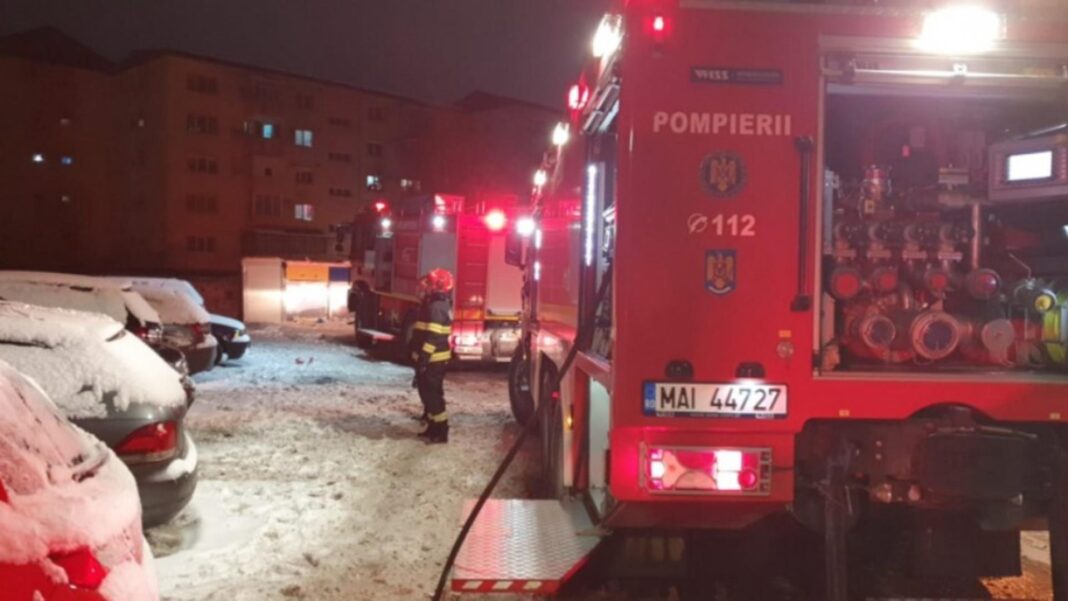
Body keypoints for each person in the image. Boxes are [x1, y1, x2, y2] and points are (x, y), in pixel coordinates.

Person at [409, 268, 454, 443]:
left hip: (434, 359)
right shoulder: (433, 305)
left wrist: (423, 359)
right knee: (427, 395)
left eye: (429, 284)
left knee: (433, 395)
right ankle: (433, 427)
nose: (425, 287)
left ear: (438, 286)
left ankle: (441, 430)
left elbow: (433, 337)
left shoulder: (437, 307)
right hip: (430, 359)